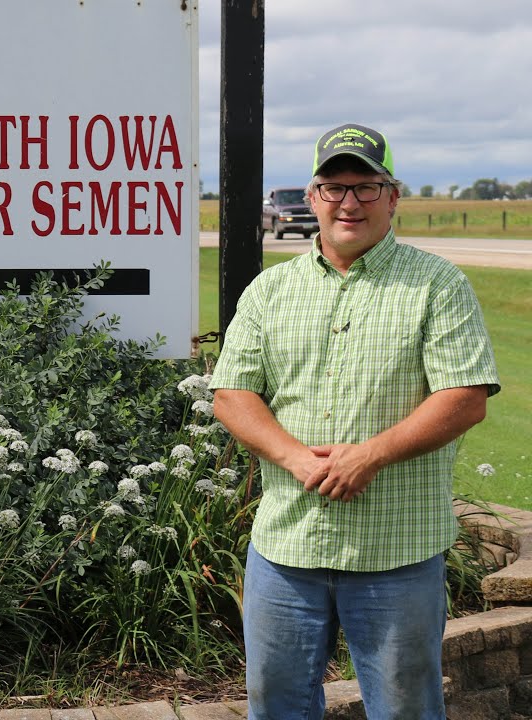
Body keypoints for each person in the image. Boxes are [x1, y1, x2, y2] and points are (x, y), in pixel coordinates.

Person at [211, 123, 501, 718]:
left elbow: (466, 395)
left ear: (392, 197)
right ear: (312, 197)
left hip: (396, 553)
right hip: (286, 547)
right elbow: (232, 394)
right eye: (333, 187)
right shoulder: (270, 291)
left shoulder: (436, 285)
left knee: (403, 709)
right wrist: (294, 457)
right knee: (277, 704)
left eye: (366, 187)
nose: (349, 203)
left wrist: (369, 455)